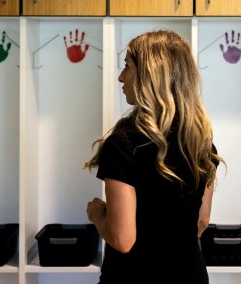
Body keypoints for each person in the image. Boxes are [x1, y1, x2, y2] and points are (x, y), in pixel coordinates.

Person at [84, 29, 225, 284]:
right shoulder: (201, 143)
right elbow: (202, 221)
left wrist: (96, 213)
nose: (120, 77)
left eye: (127, 67)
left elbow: (122, 239)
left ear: (150, 77)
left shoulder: (122, 145)